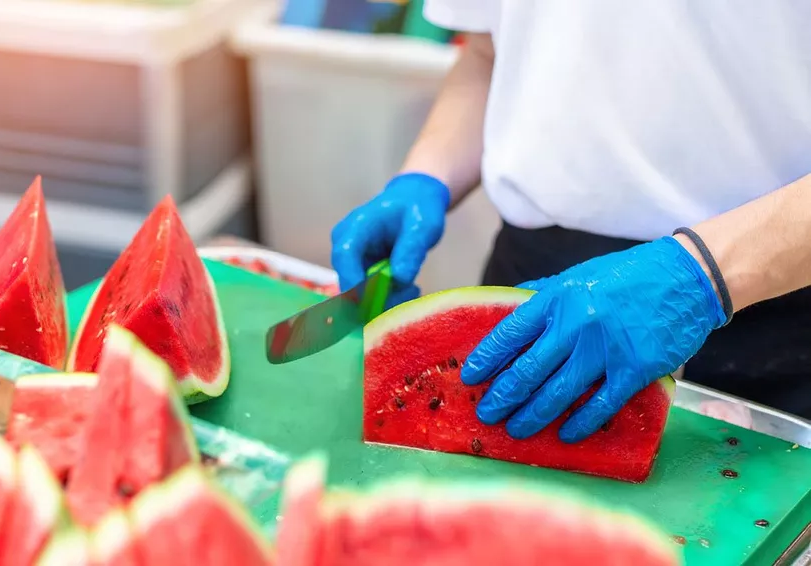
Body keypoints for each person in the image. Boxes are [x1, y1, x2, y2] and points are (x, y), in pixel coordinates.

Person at [330, 1, 811, 442]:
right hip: (531, 295)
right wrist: (426, 175)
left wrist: (701, 276)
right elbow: (488, 55)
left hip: (768, 305)